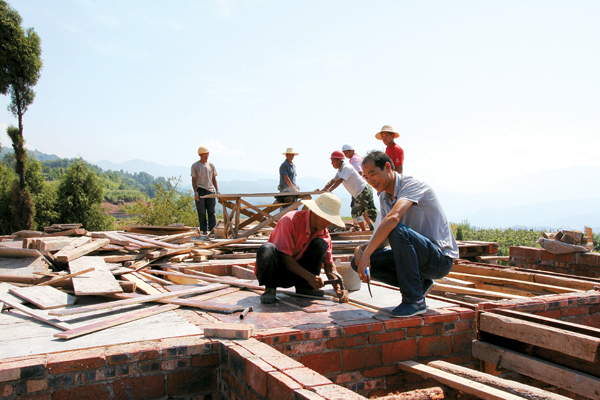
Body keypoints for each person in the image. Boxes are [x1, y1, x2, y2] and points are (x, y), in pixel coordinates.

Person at [352, 151, 458, 317]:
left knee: (395, 228)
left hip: (438, 259)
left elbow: (393, 219)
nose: (370, 180)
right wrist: (362, 251)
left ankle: (414, 300)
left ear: (387, 167)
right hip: (416, 257)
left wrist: (366, 254)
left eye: (373, 174)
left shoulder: (411, 184)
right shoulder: (385, 197)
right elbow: (385, 238)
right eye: (366, 177)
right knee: (356, 262)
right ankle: (420, 284)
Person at [255, 192, 350, 304]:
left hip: (299, 275)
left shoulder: (324, 233)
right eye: (327, 219)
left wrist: (338, 287)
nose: (329, 224)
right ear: (316, 213)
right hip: (277, 273)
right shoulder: (290, 220)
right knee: (267, 249)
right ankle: (270, 288)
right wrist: (310, 277)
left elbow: (329, 265)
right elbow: (284, 256)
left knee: (320, 244)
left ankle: (306, 288)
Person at [322, 151, 377, 232]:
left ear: (339, 161)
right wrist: (323, 189)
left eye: (333, 161)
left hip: (363, 190)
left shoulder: (346, 168)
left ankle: (364, 231)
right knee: (371, 211)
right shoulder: (340, 170)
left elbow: (340, 180)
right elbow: (333, 180)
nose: (332, 163)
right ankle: (379, 225)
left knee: (356, 212)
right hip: (363, 190)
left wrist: (329, 190)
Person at [342, 144, 373, 229]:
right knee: (364, 208)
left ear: (352, 151)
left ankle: (361, 228)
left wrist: (353, 181)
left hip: (358, 187)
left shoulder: (353, 159)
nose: (345, 154)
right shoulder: (359, 157)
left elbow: (358, 171)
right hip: (365, 185)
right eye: (344, 152)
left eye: (347, 152)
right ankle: (368, 225)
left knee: (355, 208)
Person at [191, 146, 219, 235]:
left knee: (212, 211)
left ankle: (213, 230)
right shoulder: (195, 166)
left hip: (210, 190)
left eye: (207, 153)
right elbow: (193, 180)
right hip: (201, 190)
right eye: (205, 153)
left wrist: (217, 190)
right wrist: (195, 192)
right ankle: (204, 230)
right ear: (200, 154)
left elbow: (214, 178)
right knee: (202, 212)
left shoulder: (211, 165)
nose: (207, 155)